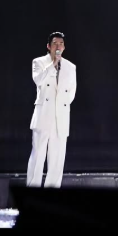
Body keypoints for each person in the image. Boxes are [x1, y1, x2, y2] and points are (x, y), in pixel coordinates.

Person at [27, 31, 77, 187]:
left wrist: (61, 105)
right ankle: (32, 191)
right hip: (44, 115)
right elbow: (38, 80)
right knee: (38, 156)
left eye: (61, 44)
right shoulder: (39, 62)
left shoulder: (70, 67)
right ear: (49, 46)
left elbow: (71, 93)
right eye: (55, 43)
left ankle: (52, 193)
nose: (58, 46)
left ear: (64, 47)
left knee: (57, 159)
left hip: (60, 117)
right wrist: (53, 64)